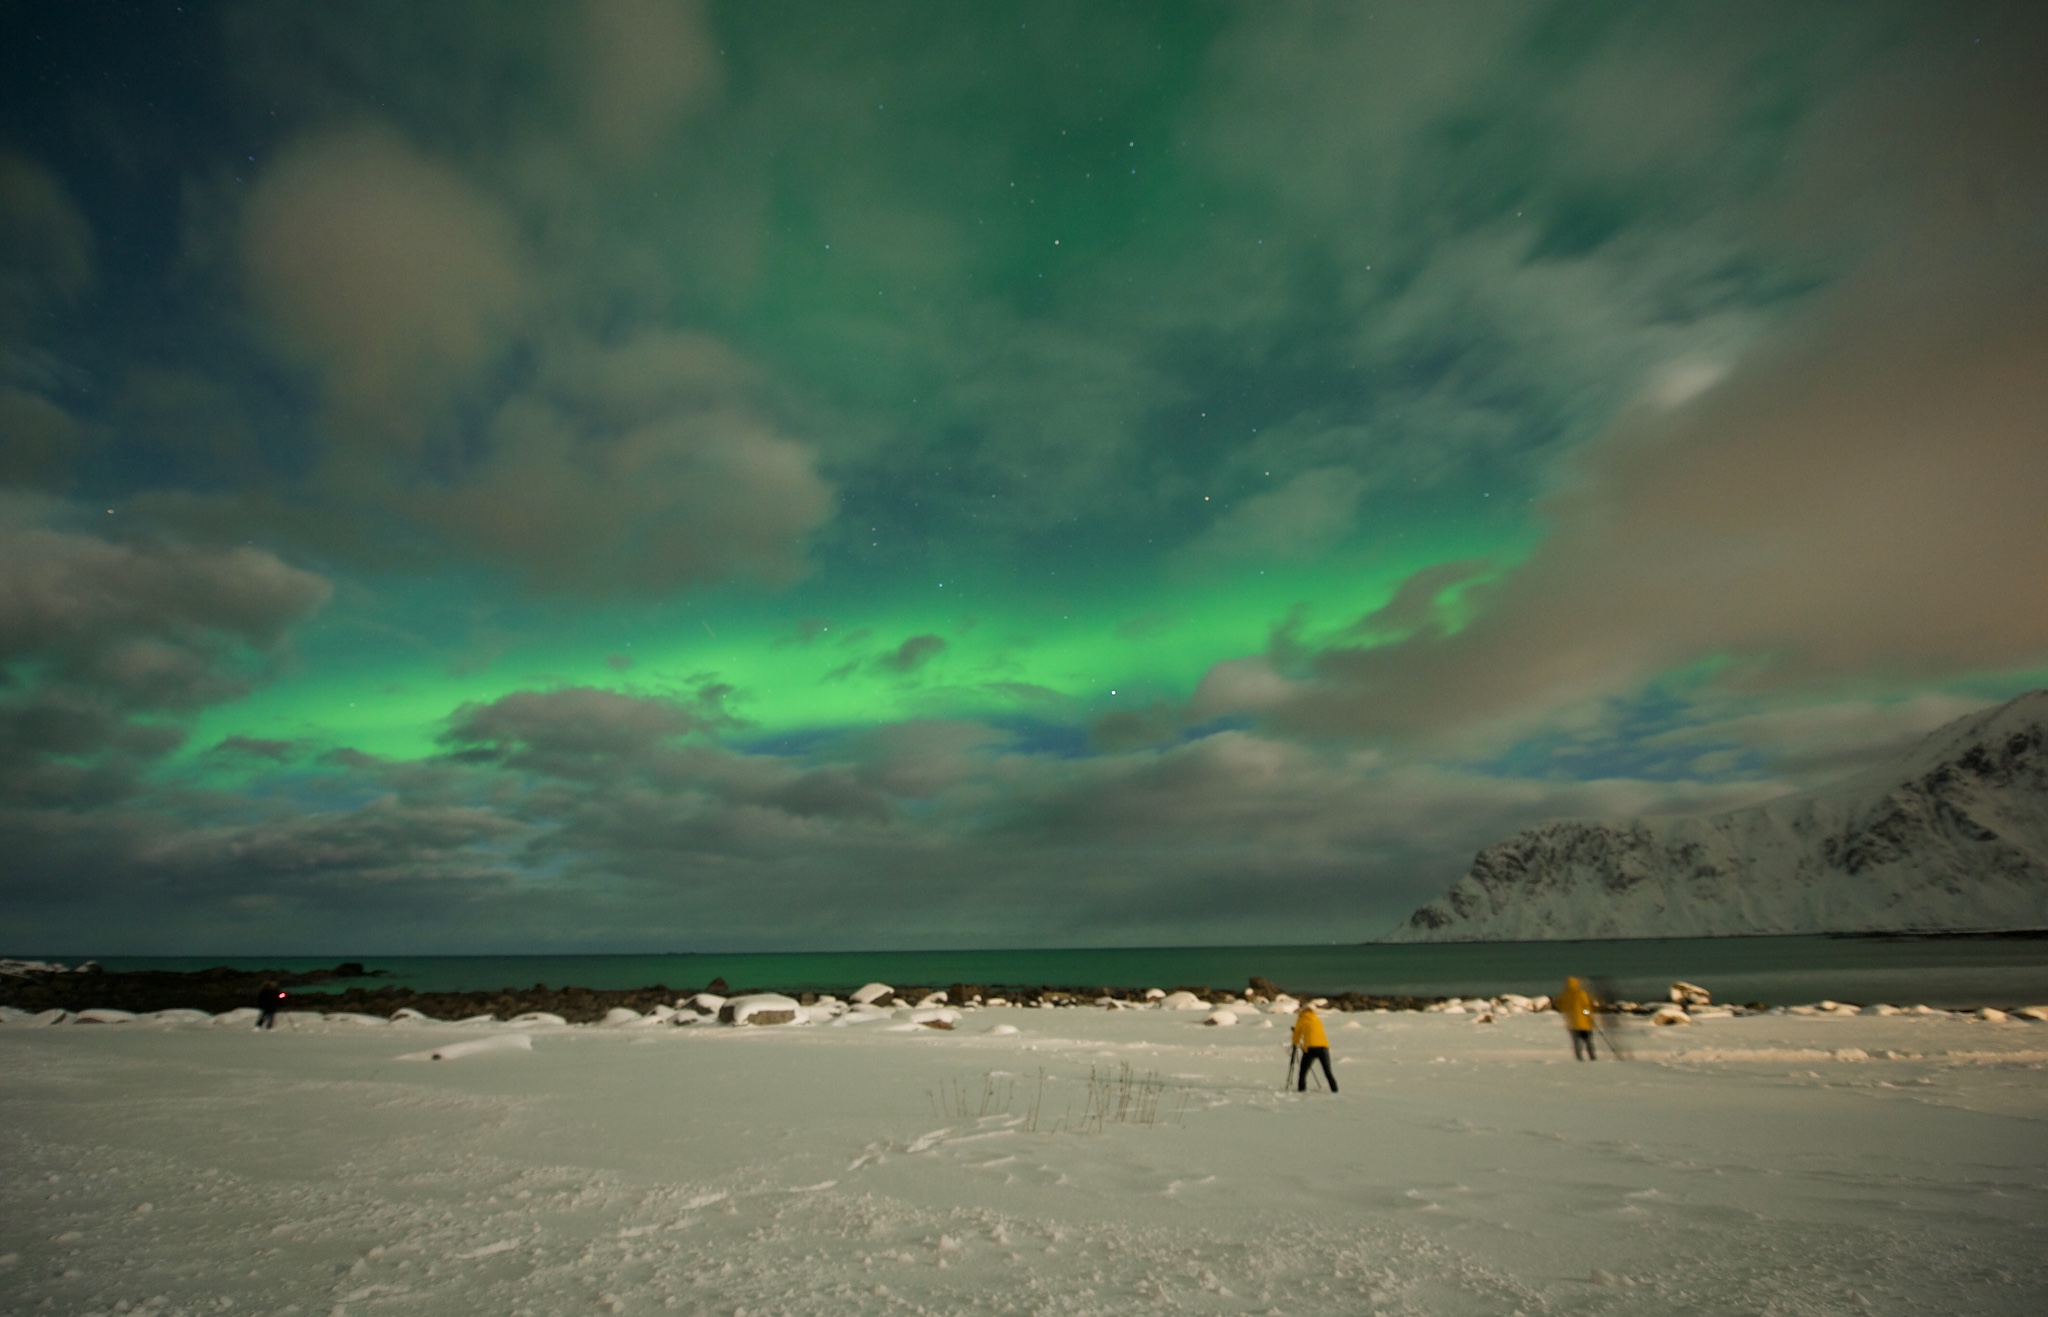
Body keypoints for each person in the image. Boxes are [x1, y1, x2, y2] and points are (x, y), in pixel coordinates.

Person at [1291, 1002, 1338, 1092]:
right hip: (1324, 1047)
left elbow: (1297, 1035)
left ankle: (1301, 1090)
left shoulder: (1301, 1019)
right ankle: (1335, 1090)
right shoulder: (1316, 1019)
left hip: (1310, 1048)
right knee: (1328, 1072)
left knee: (1303, 1072)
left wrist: (1296, 1042)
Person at [1557, 976, 1596, 1060]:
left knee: (1577, 1043)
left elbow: (1563, 1007)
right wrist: (1589, 1016)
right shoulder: (1581, 993)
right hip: (1584, 1023)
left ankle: (1579, 1058)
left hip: (1572, 1023)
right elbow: (1586, 1007)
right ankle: (1592, 1057)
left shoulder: (1565, 995)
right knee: (1588, 1042)